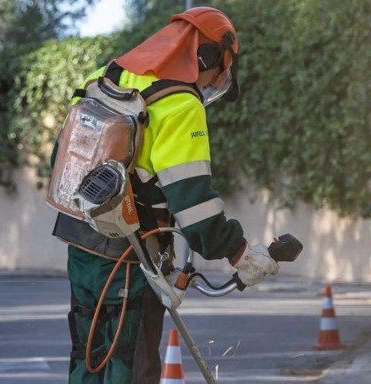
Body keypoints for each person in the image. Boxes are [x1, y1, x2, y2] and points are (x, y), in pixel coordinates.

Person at [50, 7, 280, 384]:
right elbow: (196, 206)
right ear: (207, 56)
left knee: (87, 356)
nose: (217, 79)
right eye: (220, 66)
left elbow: (60, 159)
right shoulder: (179, 105)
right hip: (133, 256)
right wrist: (239, 252)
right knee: (131, 364)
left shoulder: (102, 78)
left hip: (80, 245)